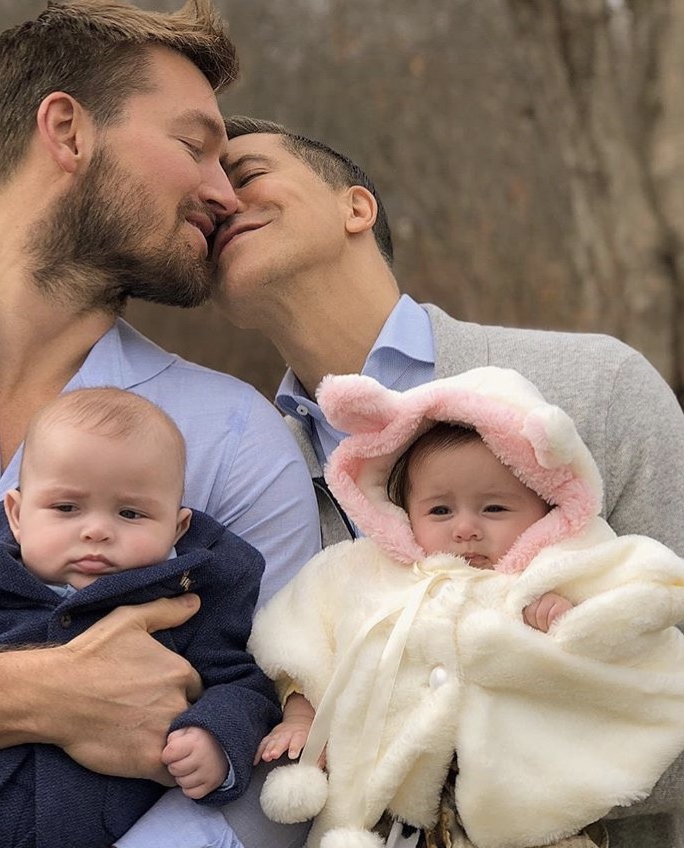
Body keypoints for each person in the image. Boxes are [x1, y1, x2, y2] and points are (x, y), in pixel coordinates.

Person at [204, 117, 684, 848]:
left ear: (355, 207)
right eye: (203, 195)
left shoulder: (597, 385)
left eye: (244, 174)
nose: (218, 198)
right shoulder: (237, 475)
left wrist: (475, 790)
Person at [0, 6, 318, 848]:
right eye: (195, 146)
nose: (225, 192)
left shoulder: (235, 439)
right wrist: (46, 692)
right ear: (67, 130)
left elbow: (281, 769)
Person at [247, 367, 684, 848]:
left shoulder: (559, 570)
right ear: (402, 510)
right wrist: (303, 717)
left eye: (494, 508)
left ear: (545, 507)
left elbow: (630, 615)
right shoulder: (363, 575)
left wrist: (573, 615)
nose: (465, 529)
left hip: (530, 820)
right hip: (390, 822)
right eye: (440, 510)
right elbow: (306, 643)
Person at [0, 387, 281, 845]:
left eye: (131, 513)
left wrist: (216, 739)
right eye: (66, 508)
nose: (96, 530)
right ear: (16, 515)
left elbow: (242, 684)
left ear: (177, 528)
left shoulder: (194, 596)